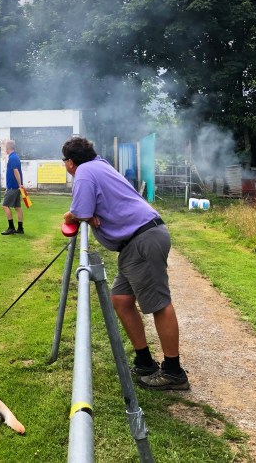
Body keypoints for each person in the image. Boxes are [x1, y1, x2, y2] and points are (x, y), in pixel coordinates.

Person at [61, 136, 189, 390]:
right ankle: (145, 362)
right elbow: (90, 209)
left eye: (64, 162)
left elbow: (80, 212)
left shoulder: (85, 171)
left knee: (159, 304)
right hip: (137, 241)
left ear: (71, 162)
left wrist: (72, 214)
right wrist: (89, 212)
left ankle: (174, 372)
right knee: (121, 300)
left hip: (141, 239)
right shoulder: (99, 164)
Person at [1, 140, 24, 235]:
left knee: (5, 205)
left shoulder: (12, 158)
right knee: (17, 207)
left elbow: (16, 171)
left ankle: (11, 228)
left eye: (5, 148)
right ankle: (20, 229)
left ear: (8, 148)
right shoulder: (15, 157)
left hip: (13, 187)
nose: (5, 150)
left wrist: (19, 184)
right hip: (15, 187)